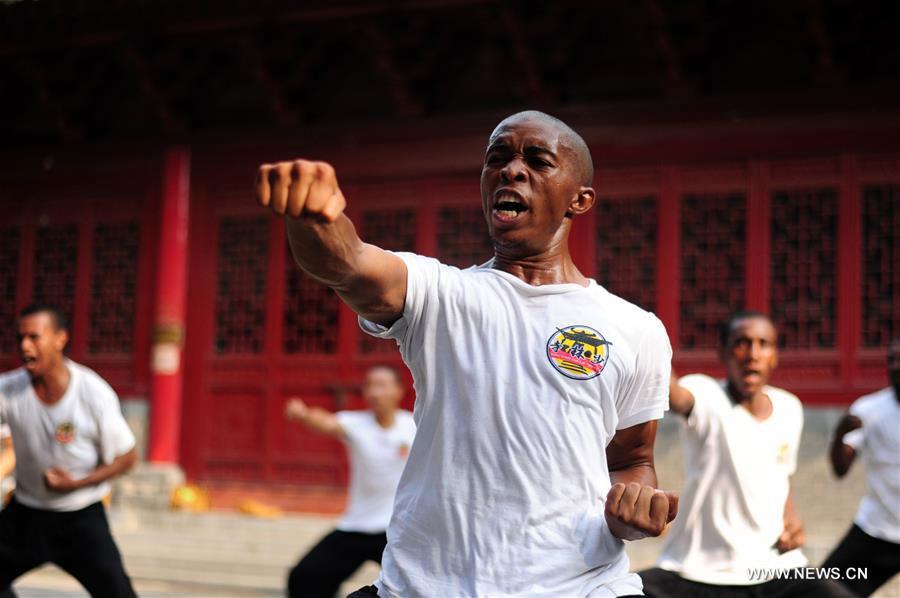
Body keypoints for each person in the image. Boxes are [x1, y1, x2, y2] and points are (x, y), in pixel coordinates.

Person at [256, 110, 677, 597]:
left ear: (579, 200)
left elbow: (631, 459)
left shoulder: (636, 329)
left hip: (581, 587)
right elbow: (348, 264)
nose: (511, 170)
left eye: (537, 161)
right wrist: (315, 217)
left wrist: (633, 509)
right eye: (497, 158)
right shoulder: (441, 296)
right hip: (425, 586)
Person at [639, 311, 855, 598]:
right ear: (724, 353)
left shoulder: (790, 407)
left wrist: (792, 518)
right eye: (741, 343)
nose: (752, 354)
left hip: (774, 570)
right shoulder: (706, 395)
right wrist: (644, 332)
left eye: (763, 344)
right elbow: (675, 394)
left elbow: (781, 473)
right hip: (697, 571)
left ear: (774, 356)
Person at [0, 304, 137, 598]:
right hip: (25, 515)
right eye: (20, 338)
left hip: (81, 518)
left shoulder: (92, 393)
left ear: (60, 339)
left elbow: (128, 458)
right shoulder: (8, 390)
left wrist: (78, 483)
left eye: (34, 337)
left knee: (118, 593)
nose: (25, 346)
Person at [285, 365, 416, 598]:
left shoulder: (414, 425)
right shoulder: (356, 424)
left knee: (417, 587)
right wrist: (304, 414)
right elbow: (326, 421)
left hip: (397, 530)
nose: (375, 393)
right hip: (357, 525)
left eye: (382, 386)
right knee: (305, 577)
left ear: (398, 391)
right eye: (369, 386)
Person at [822, 338, 900, 596]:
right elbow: (840, 469)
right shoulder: (869, 410)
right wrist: (839, 434)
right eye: (891, 359)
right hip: (878, 529)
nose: (896, 366)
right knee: (824, 590)